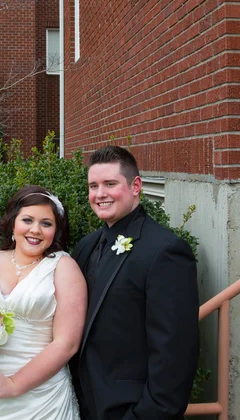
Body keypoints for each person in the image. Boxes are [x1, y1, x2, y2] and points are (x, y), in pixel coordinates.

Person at [70, 145, 199, 420]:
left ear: (136, 185)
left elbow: (174, 355)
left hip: (127, 410)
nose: (99, 194)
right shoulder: (85, 246)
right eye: (93, 186)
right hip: (78, 405)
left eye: (110, 184)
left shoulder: (165, 251)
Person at [0, 185, 87, 420]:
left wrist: (14, 384)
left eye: (46, 223)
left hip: (40, 400)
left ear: (56, 230)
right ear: (13, 223)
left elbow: (66, 344)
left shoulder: (63, 268)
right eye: (27, 220)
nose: (36, 230)